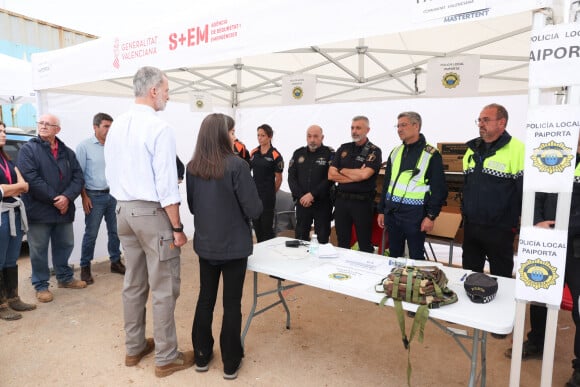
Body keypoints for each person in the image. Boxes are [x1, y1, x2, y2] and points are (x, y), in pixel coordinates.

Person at [104, 66, 193, 377]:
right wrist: (178, 228)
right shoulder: (159, 128)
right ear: (154, 90)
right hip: (151, 214)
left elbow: (110, 173)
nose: (168, 94)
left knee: (134, 282)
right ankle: (167, 356)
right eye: (166, 89)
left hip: (123, 211)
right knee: (164, 285)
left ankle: (134, 347)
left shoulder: (115, 126)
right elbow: (167, 185)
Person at [186, 113, 262, 380]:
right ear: (221, 134)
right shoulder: (237, 166)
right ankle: (230, 361)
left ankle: (202, 355)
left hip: (206, 244)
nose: (234, 137)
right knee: (231, 303)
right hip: (233, 247)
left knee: (205, 299)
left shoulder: (193, 166)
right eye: (231, 132)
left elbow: (194, 206)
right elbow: (254, 208)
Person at [505, 141, 580, 387]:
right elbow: (536, 194)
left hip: (576, 246)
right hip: (545, 239)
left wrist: (562, 226)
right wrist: (537, 221)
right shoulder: (557, 160)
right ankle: (536, 341)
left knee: (579, 309)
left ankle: (578, 367)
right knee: (538, 293)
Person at [17, 114, 86, 303]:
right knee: (38, 249)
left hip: (63, 210)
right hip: (39, 210)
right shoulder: (28, 150)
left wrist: (67, 197)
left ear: (58, 129)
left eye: (49, 124)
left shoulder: (67, 152)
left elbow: (78, 177)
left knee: (65, 244)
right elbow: (31, 178)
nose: (44, 126)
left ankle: (64, 277)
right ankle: (41, 285)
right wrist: (56, 199)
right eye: (41, 123)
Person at [461, 103, 524, 278]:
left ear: (501, 123)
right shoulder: (471, 150)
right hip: (472, 226)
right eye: (479, 120)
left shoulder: (518, 149)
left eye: (486, 120)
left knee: (501, 278)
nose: (481, 124)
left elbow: (523, 191)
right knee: (470, 275)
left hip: (500, 229)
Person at [377, 112, 447, 259]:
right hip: (392, 212)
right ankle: (394, 281)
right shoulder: (395, 152)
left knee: (416, 257)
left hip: (415, 215)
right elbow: (387, 184)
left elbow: (439, 190)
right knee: (394, 256)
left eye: (403, 125)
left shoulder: (431, 154)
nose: (399, 129)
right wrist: (382, 210)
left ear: (416, 126)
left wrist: (431, 216)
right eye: (398, 125)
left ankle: (417, 282)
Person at [75, 113, 125, 285]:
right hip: (93, 197)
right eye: (106, 126)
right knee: (91, 234)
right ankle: (85, 267)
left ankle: (115, 262)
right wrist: (84, 197)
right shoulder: (84, 146)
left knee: (115, 231)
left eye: (111, 126)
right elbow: (78, 174)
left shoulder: (114, 145)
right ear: (95, 127)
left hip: (113, 195)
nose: (109, 130)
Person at [328, 115, 382, 253]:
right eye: (352, 127)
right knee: (342, 242)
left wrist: (342, 170)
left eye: (358, 128)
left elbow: (365, 175)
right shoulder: (343, 148)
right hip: (341, 201)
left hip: (362, 203)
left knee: (364, 243)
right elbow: (331, 174)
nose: (354, 131)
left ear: (367, 130)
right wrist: (355, 175)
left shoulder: (374, 151)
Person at [0, 122, 36, 321]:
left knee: (11, 258)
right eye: (0, 131)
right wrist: (12, 188)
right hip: (2, 215)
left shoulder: (7, 159)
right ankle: (1, 303)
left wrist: (7, 188)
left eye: (4, 130)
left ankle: (13, 297)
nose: (3, 134)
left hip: (13, 212)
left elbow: (25, 186)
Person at [288, 125, 334, 244]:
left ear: (322, 137)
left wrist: (312, 194)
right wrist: (301, 196)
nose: (312, 139)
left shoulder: (329, 153)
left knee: (322, 239)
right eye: (309, 136)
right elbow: (291, 178)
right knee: (300, 238)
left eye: (315, 136)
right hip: (303, 203)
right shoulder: (298, 153)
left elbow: (331, 178)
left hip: (322, 203)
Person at [249, 124, 283, 242]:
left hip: (267, 197)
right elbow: (248, 172)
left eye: (263, 135)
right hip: (254, 196)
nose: (260, 138)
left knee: (266, 228)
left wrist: (271, 193)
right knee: (256, 226)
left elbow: (279, 178)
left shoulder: (275, 155)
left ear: (270, 137)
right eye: (258, 135)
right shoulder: (253, 152)